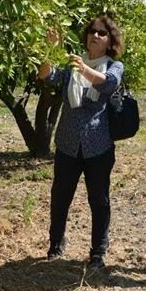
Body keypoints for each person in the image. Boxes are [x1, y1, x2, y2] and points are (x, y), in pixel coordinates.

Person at [38, 14, 125, 270]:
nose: (95, 35)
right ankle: (56, 243)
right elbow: (46, 74)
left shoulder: (113, 66)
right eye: (92, 31)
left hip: (98, 145)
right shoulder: (71, 67)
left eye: (102, 33)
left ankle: (98, 252)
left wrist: (83, 70)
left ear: (110, 41)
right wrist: (49, 48)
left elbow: (109, 85)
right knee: (60, 196)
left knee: (99, 200)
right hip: (67, 143)